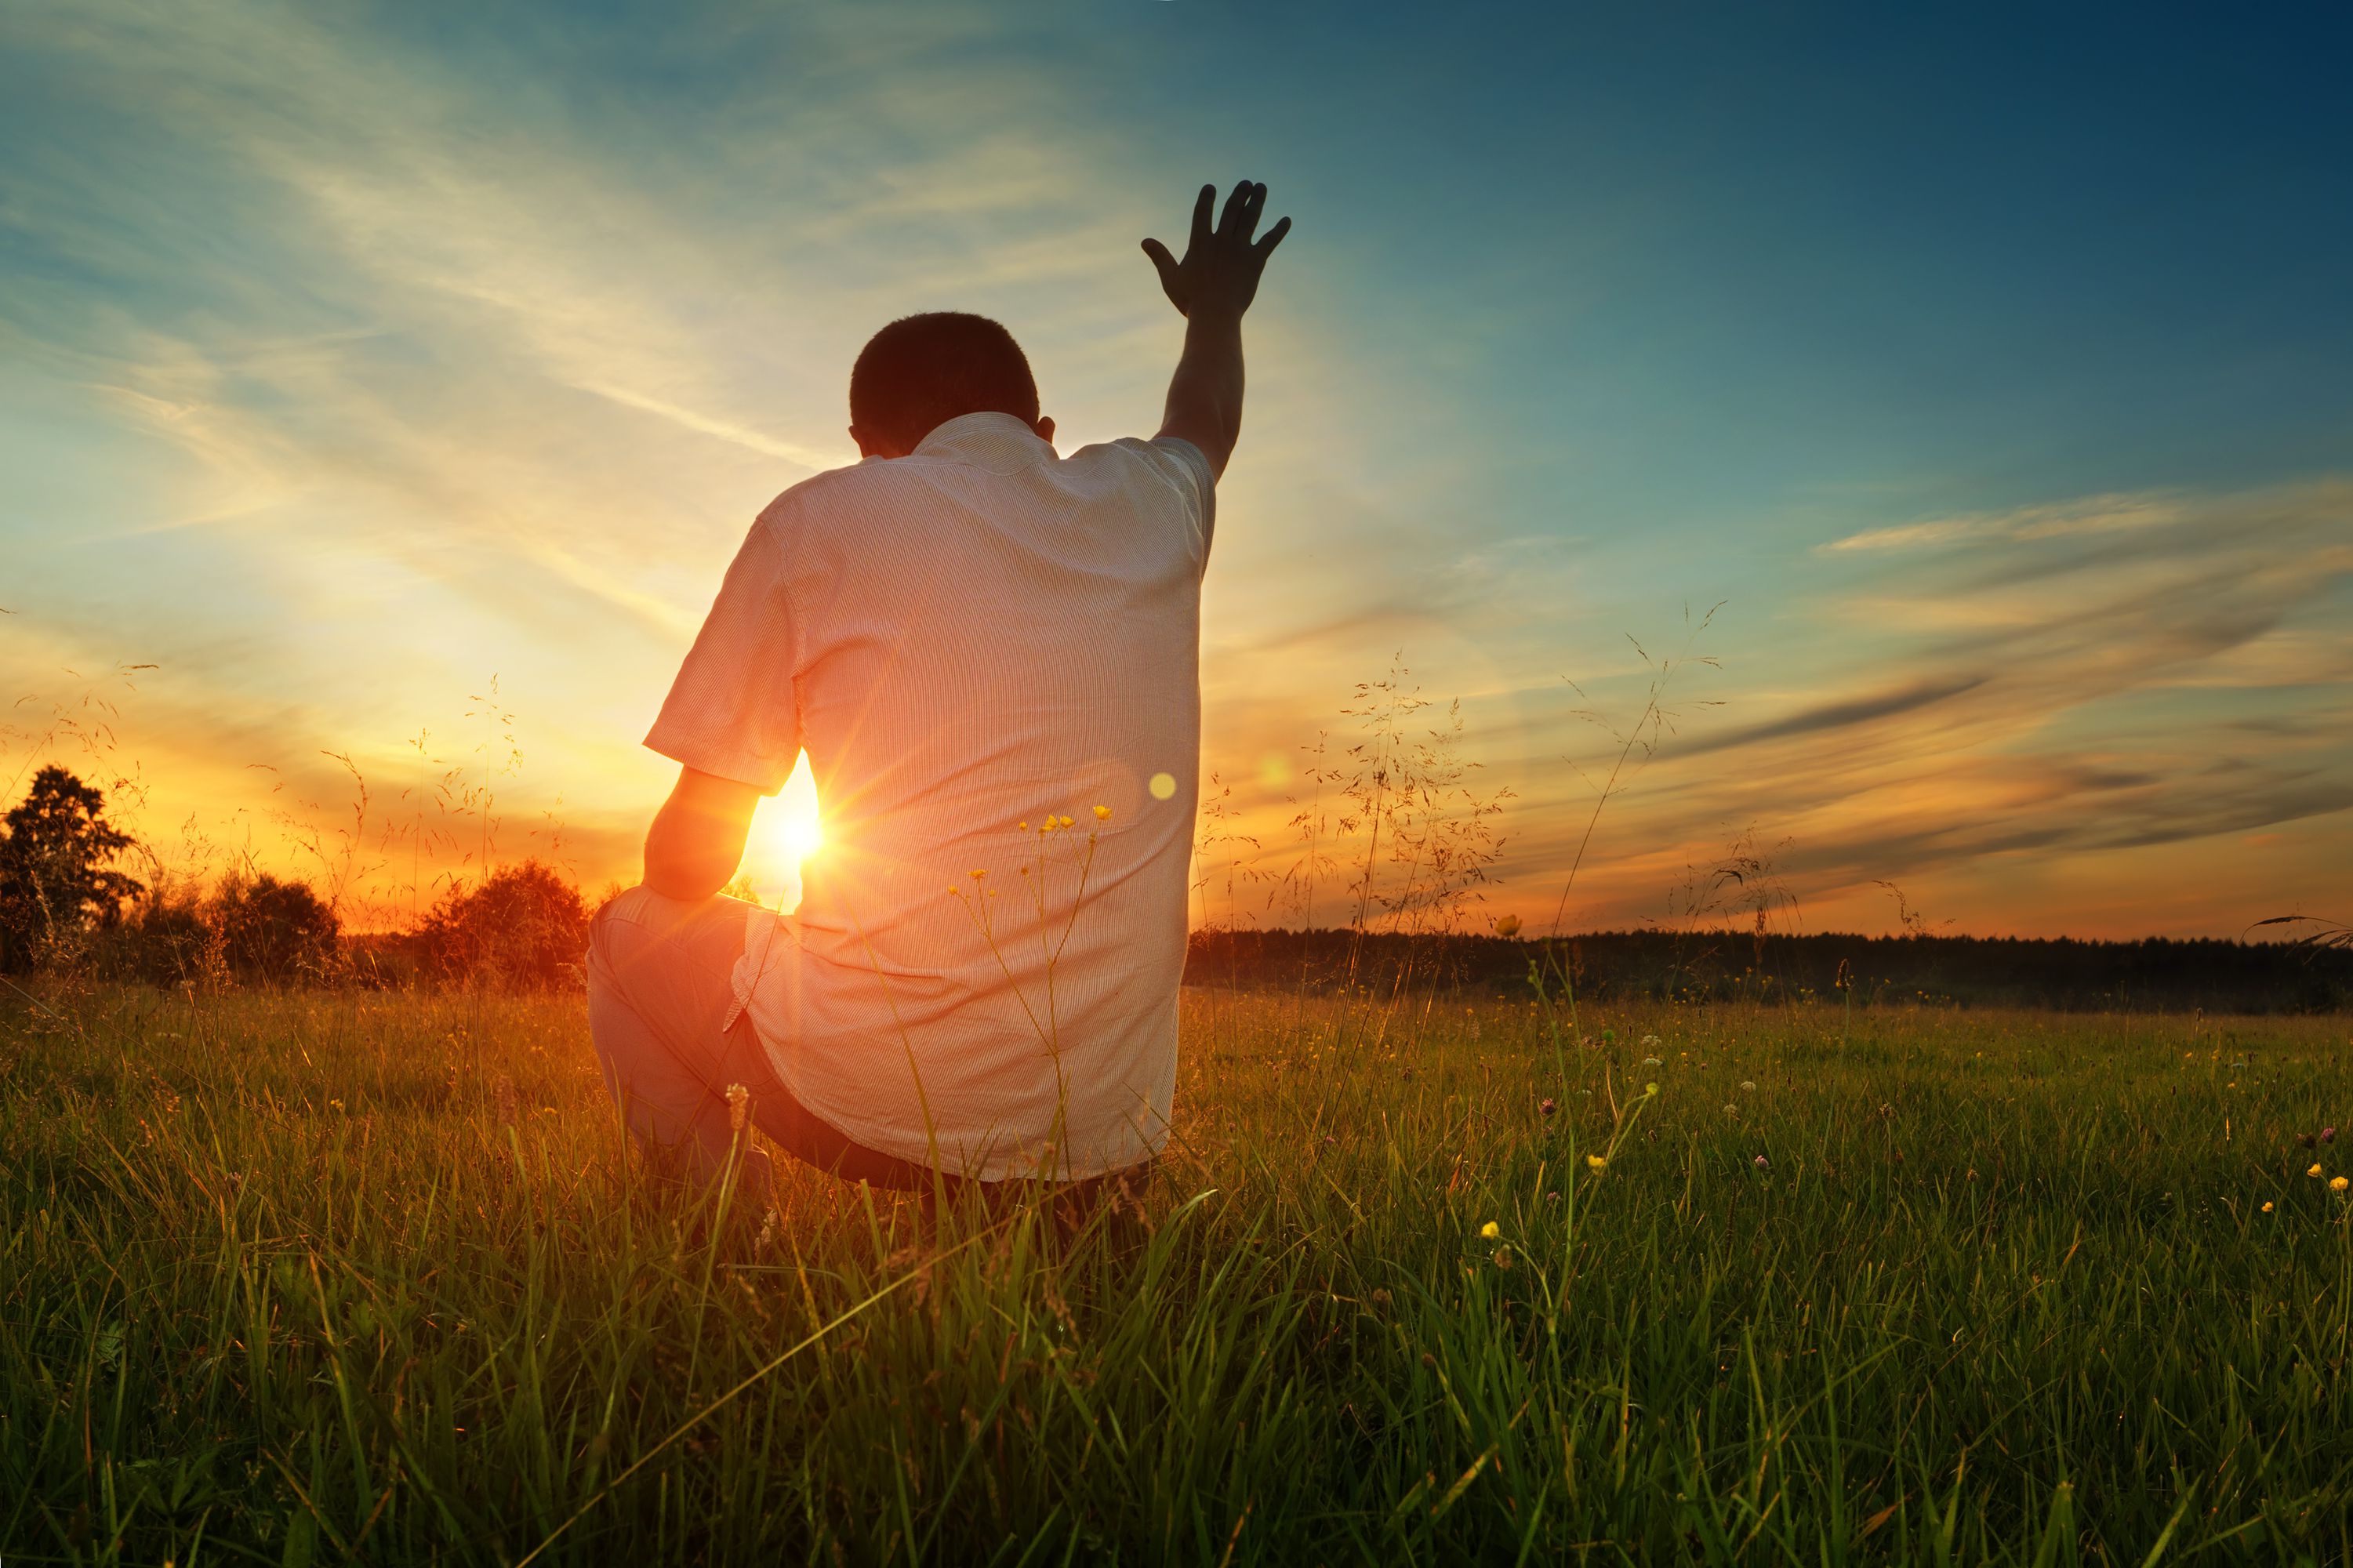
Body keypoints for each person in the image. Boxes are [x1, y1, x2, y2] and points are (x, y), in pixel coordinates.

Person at [585, 181, 1291, 1213]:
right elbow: (1205, 423)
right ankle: (1067, 1215)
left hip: (863, 1115)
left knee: (625, 929)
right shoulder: (1150, 501)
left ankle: (723, 1226)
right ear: (1043, 430)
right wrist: (1216, 314)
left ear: (866, 445)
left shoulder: (814, 519)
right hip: (1108, 1134)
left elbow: (687, 864)